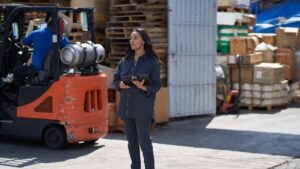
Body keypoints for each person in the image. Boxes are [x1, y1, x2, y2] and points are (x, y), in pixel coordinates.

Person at [113, 28, 161, 169]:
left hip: (143, 106)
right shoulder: (124, 61)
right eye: (131, 38)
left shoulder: (152, 62)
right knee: (131, 141)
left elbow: (157, 84)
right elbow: (115, 79)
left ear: (143, 41)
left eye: (135, 38)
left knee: (144, 141)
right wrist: (119, 84)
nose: (132, 41)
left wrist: (143, 87)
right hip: (127, 106)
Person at [13, 15, 70, 85]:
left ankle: (18, 94)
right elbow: (67, 51)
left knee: (17, 72)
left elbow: (24, 42)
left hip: (36, 69)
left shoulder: (36, 33)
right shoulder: (62, 39)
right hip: (52, 70)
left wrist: (33, 43)